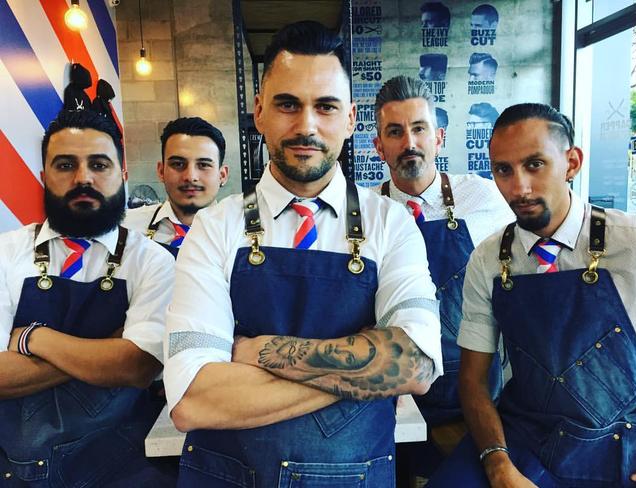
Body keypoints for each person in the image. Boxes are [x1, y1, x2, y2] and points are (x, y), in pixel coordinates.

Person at [164, 21, 443, 487]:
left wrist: (255, 353)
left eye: (326, 107)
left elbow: (414, 364)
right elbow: (193, 399)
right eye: (288, 104)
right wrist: (366, 369)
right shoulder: (215, 229)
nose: (306, 125)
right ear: (259, 112)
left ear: (351, 120)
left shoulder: (390, 224)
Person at [428, 103, 636, 487]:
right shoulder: (487, 260)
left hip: (626, 436)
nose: (519, 188)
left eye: (535, 165)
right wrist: (498, 465)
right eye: (503, 170)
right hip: (527, 437)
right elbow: (474, 381)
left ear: (572, 162)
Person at [0, 109, 176, 486]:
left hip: (122, 467)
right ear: (44, 177)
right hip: (14, 465)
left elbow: (137, 367)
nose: (83, 178)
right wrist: (107, 350)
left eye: (99, 164)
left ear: (122, 174)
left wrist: (33, 338)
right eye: (65, 165)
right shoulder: (4, 254)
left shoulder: (152, 262)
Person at [373, 75, 512, 484]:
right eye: (395, 132)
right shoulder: (364, 213)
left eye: (419, 129)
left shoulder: (487, 200)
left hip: (474, 397)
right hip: (392, 400)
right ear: (379, 146)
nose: (409, 143)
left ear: (439, 136)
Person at [122, 117, 228, 257]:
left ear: (222, 175)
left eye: (203, 165)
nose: (190, 176)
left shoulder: (240, 234)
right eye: (178, 164)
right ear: (161, 171)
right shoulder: (125, 228)